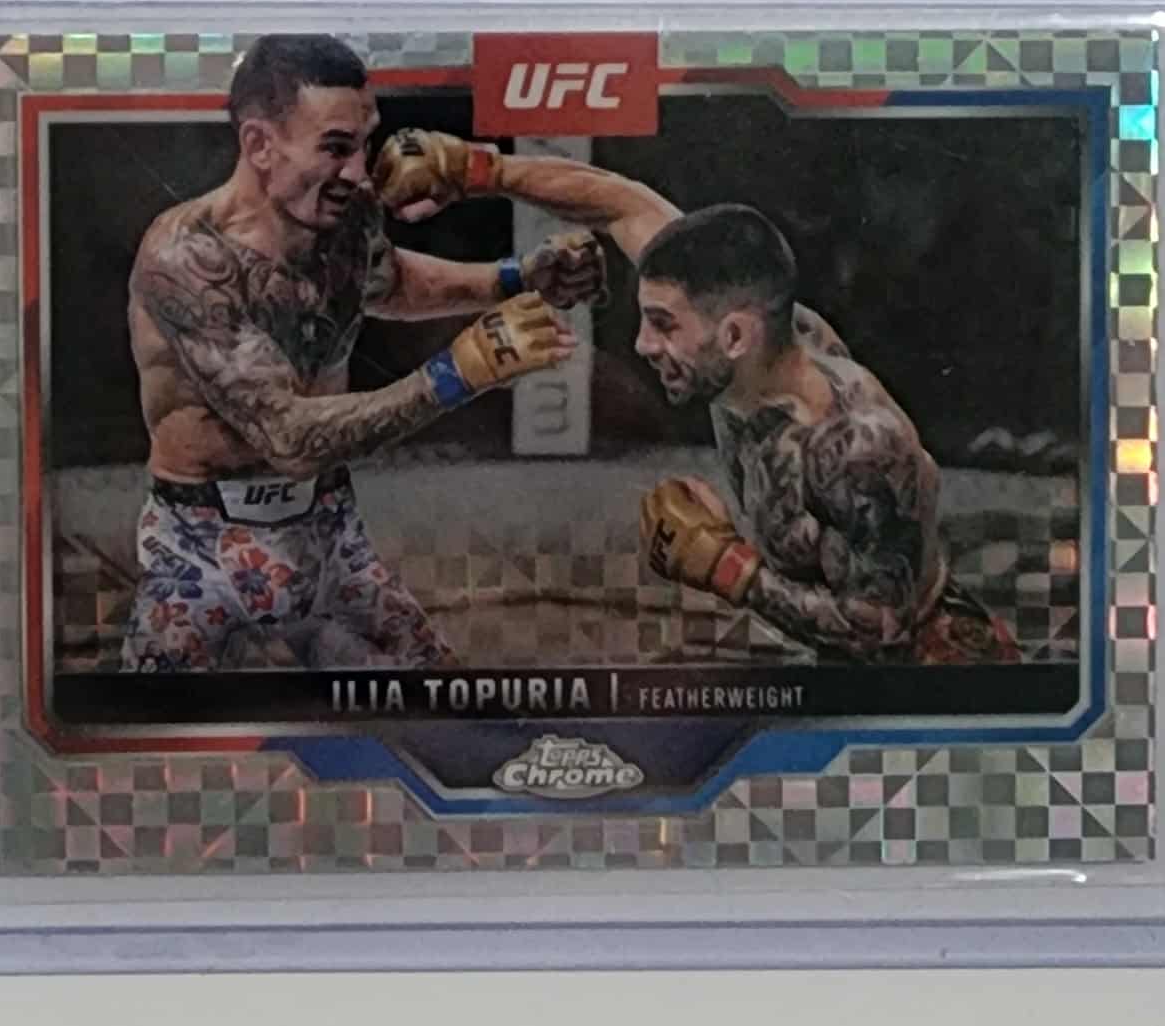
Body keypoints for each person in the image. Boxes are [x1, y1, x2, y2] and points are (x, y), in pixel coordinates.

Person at [375, 131, 1018, 664]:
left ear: (734, 336)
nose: (643, 345)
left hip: (930, 671)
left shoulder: (853, 446)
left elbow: (882, 626)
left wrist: (727, 568)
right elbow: (619, 203)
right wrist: (474, 168)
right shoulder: (742, 328)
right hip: (830, 655)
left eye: (663, 325)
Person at [121, 36, 604, 672]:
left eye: (364, 144)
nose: (358, 172)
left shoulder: (346, 216)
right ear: (260, 144)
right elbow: (287, 436)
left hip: (328, 532)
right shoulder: (186, 259)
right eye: (335, 148)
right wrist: (453, 375)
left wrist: (514, 278)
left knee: (446, 697)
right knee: (162, 725)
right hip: (201, 547)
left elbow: (385, 282)